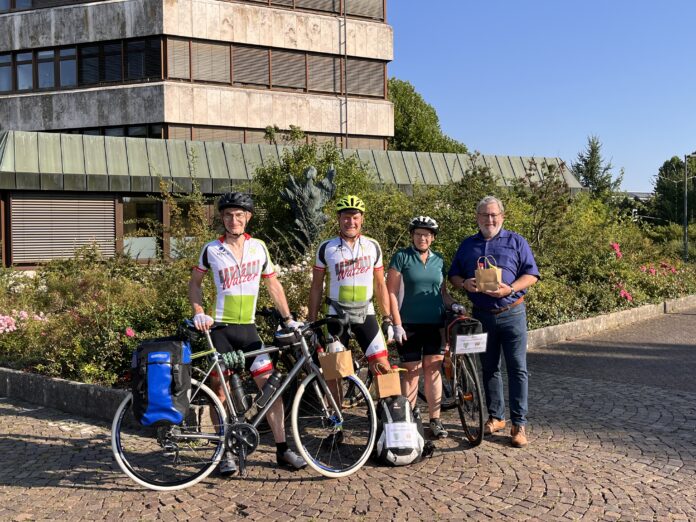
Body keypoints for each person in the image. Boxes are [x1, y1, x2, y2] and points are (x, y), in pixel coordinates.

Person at [188, 192, 307, 474]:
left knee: (271, 388)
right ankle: (225, 450)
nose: (233, 219)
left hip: (249, 330)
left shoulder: (259, 248)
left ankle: (282, 449)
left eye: (239, 215)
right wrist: (198, 312)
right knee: (220, 390)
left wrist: (288, 319)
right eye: (228, 215)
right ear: (222, 219)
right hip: (219, 330)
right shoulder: (211, 250)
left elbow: (274, 285)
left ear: (247, 218)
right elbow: (195, 284)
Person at [448, 196, 539, 448]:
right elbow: (454, 275)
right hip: (482, 316)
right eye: (485, 215)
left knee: (517, 369)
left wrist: (510, 289)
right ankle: (496, 417)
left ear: (502, 216)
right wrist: (464, 283)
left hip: (512, 313)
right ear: (477, 218)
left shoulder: (516, 241)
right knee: (489, 369)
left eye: (494, 215)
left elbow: (531, 274)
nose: (490, 219)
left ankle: (519, 424)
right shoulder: (468, 245)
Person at [386, 216, 465, 439]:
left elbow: (442, 293)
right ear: (412, 236)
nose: (423, 238)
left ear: (433, 238)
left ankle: (435, 419)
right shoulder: (401, 257)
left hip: (435, 323)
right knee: (411, 371)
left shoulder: (439, 260)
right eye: (419, 234)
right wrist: (396, 323)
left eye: (427, 235)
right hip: (408, 323)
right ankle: (409, 418)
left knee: (433, 369)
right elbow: (390, 291)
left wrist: (454, 304)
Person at [307, 195, 391, 376]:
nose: (350, 222)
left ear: (362, 219)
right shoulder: (326, 248)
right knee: (335, 371)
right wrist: (312, 322)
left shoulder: (372, 246)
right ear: (338, 218)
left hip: (365, 312)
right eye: (346, 217)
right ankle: (334, 406)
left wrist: (387, 318)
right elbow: (316, 286)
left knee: (383, 366)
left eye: (355, 217)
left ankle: (387, 405)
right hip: (335, 315)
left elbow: (380, 285)